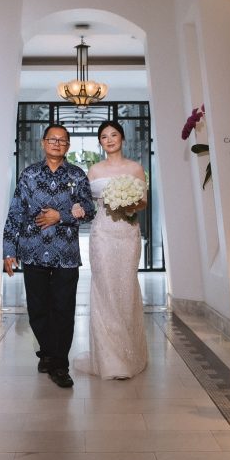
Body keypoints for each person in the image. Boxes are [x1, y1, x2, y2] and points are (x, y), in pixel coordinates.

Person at [3, 124, 95, 388]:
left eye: (62, 140)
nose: (57, 143)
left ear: (68, 145)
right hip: (33, 251)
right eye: (52, 139)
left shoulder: (77, 175)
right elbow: (15, 212)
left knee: (64, 310)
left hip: (66, 253)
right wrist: (9, 250)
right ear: (43, 143)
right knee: (38, 309)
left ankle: (59, 365)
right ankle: (47, 352)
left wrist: (61, 216)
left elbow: (89, 210)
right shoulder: (29, 175)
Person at [75, 120, 148, 380]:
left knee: (126, 288)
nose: (109, 139)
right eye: (104, 136)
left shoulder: (135, 168)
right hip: (103, 234)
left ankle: (129, 353)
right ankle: (109, 359)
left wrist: (128, 204)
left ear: (122, 138)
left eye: (113, 135)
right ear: (100, 142)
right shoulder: (94, 170)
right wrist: (77, 208)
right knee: (104, 287)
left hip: (127, 233)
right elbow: (85, 202)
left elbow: (143, 202)